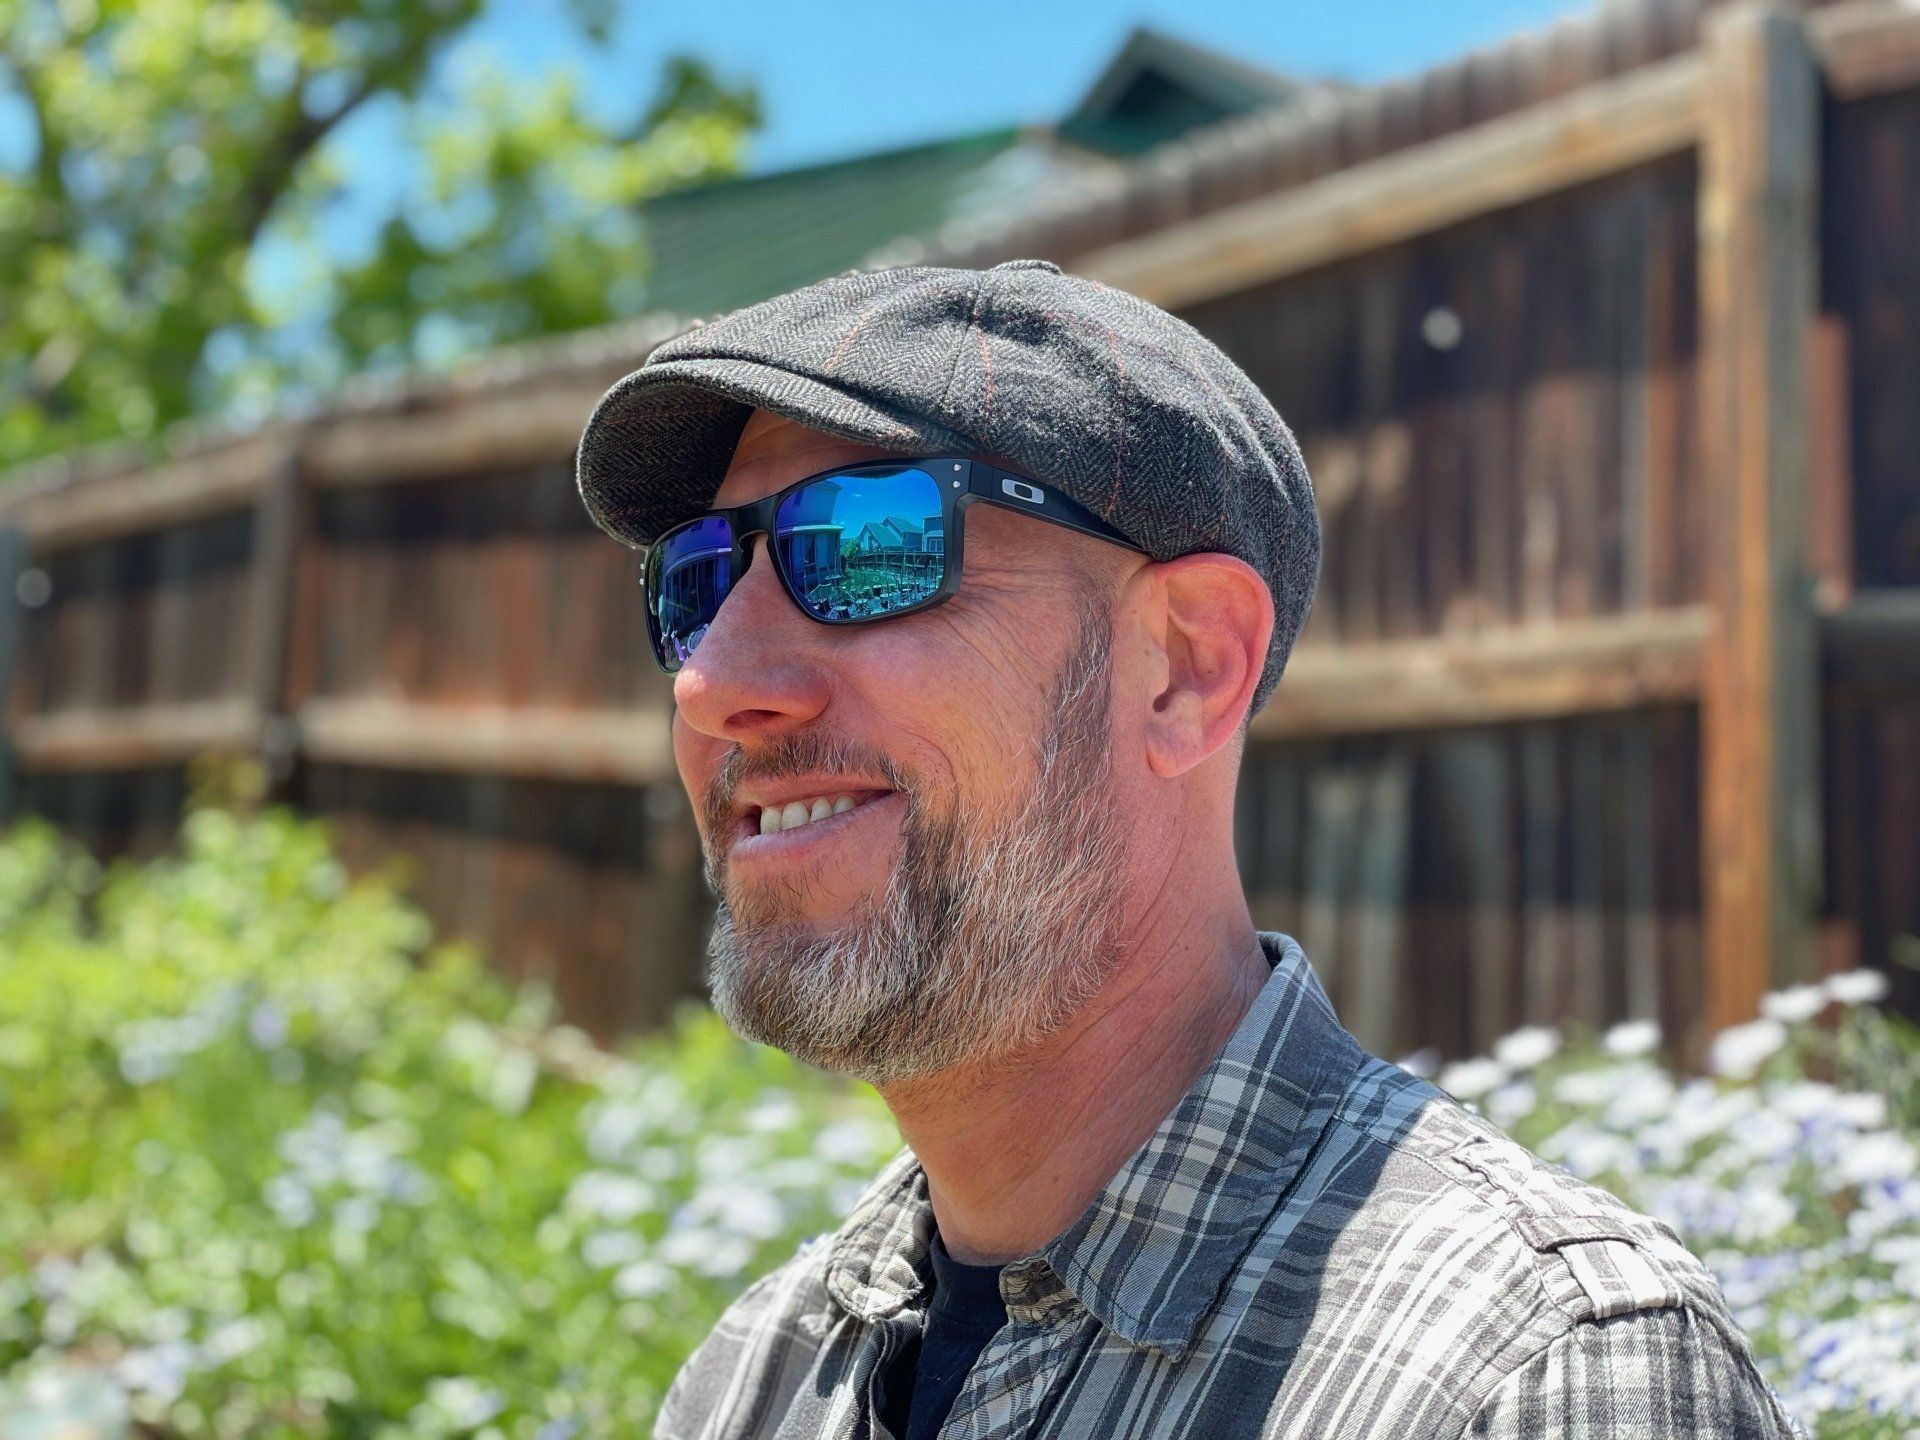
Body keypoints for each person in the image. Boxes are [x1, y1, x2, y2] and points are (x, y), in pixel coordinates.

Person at [573, 259, 1805, 1439]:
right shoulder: (754, 1374)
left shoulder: (1537, 1380)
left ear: (1187, 668)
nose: (710, 681)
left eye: (858, 544)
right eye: (692, 581)